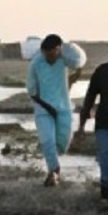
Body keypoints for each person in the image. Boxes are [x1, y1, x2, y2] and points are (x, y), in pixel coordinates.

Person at [27, 34, 81, 187]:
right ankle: (54, 171)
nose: (50, 58)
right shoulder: (36, 64)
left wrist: (74, 77)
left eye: (53, 54)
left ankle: (52, 171)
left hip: (64, 109)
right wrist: (47, 107)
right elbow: (32, 92)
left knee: (62, 145)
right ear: (43, 52)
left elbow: (78, 62)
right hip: (43, 110)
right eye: (47, 54)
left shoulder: (64, 61)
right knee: (48, 141)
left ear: (59, 50)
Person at [80, 43, 108, 211]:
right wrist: (81, 125)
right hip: (105, 122)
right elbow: (89, 97)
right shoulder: (103, 71)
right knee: (106, 156)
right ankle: (107, 192)